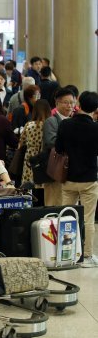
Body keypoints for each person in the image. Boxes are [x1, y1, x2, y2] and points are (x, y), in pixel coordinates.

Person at [55, 91, 98, 267]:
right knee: (88, 218)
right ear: (95, 109)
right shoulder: (96, 128)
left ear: (78, 103)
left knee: (66, 216)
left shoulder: (65, 124)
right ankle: (87, 256)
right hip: (89, 179)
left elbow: (58, 148)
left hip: (69, 178)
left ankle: (66, 254)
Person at [42, 87, 76, 206]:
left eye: (72, 102)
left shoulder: (74, 120)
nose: (69, 106)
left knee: (68, 205)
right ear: (57, 103)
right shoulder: (51, 121)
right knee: (53, 204)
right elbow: (51, 142)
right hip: (54, 170)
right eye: (66, 102)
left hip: (70, 171)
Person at [18, 99, 51, 186]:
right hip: (45, 158)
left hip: (30, 158)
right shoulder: (50, 125)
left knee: (30, 185)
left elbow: (21, 142)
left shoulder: (29, 125)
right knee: (44, 185)